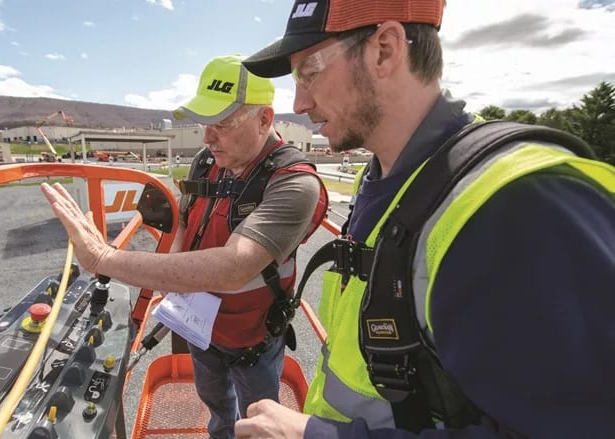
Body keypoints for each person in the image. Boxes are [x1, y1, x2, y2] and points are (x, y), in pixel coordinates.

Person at [234, 0, 615, 438]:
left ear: (385, 49)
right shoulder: (386, 178)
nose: (298, 102)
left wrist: (313, 435)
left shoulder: (524, 206)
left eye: (309, 71)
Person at [41, 54, 328, 439]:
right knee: (215, 404)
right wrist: (173, 273)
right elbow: (186, 219)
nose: (208, 137)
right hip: (199, 325)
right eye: (204, 123)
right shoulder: (206, 162)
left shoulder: (294, 184)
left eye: (222, 124)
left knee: (259, 417)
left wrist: (105, 258)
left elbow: (235, 267)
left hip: (253, 336)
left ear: (264, 119)